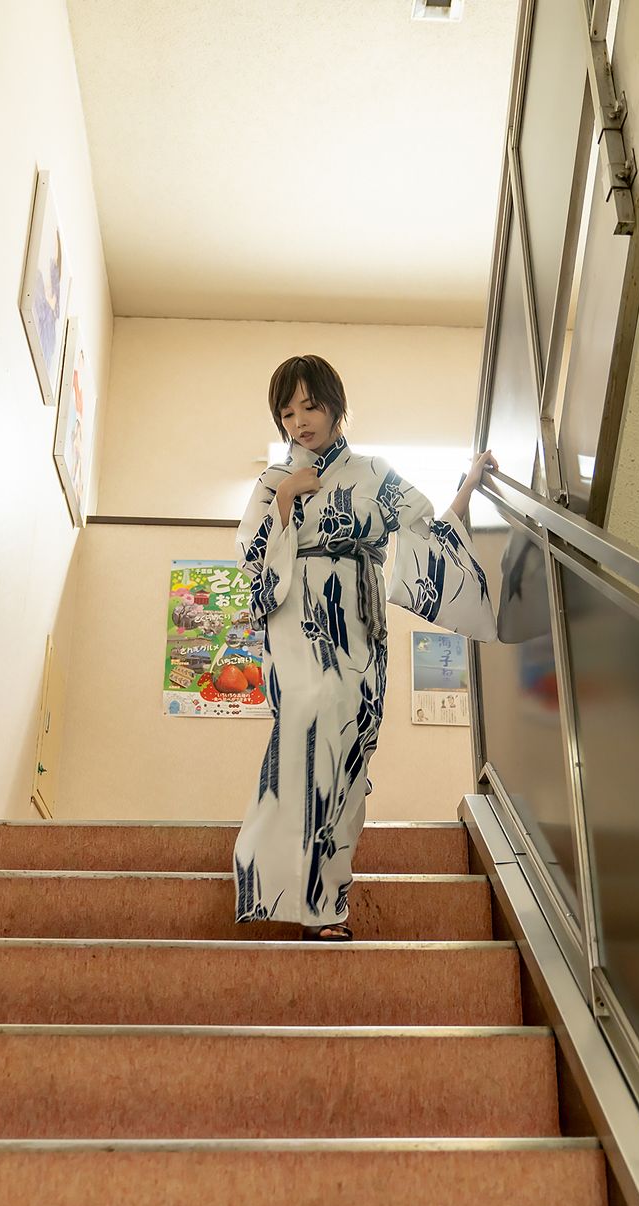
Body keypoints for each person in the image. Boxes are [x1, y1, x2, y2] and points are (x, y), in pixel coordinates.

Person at [232, 354, 497, 941]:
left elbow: (427, 535)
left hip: (358, 624)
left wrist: (470, 485)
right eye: (287, 413)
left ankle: (324, 902)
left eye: (311, 406)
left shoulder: (375, 473)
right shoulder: (273, 481)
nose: (300, 422)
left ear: (336, 407)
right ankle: (288, 890)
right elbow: (251, 562)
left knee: (348, 754)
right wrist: (286, 501)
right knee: (308, 725)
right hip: (297, 623)